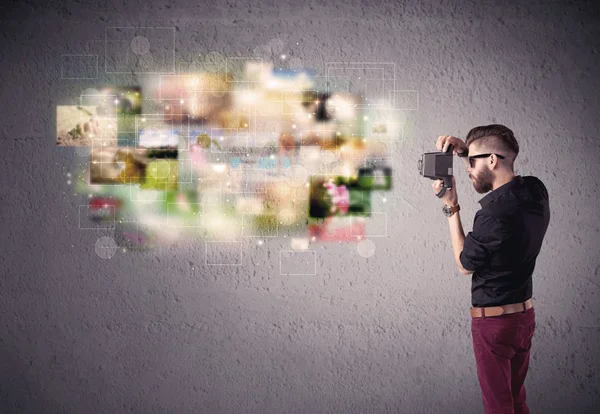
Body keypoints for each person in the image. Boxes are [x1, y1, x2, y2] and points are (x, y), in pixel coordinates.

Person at [432, 125, 550, 414]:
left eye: (472, 161)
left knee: (498, 408)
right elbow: (490, 182)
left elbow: (464, 264)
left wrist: (452, 206)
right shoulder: (536, 190)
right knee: (516, 401)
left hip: (494, 326)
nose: (468, 169)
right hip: (524, 318)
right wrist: (464, 152)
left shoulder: (492, 216)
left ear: (493, 160)